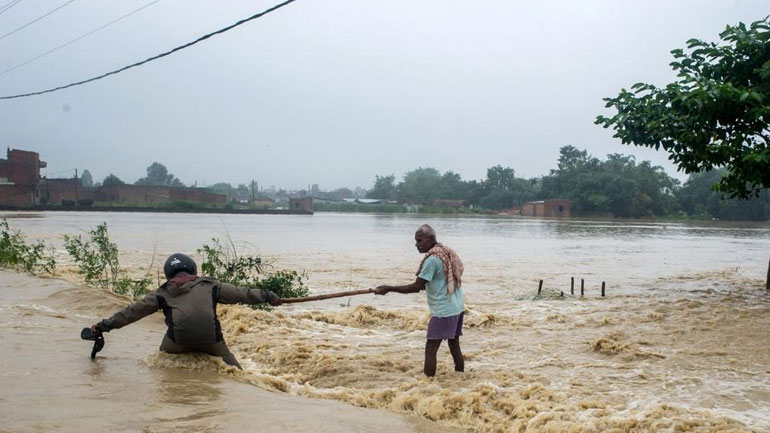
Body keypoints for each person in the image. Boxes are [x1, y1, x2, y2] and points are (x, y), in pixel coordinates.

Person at [88, 253, 282, 369]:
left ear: (168, 274)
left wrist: (103, 326)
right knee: (236, 372)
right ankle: (238, 373)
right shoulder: (211, 286)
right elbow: (242, 294)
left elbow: (131, 313)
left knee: (160, 361)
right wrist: (267, 296)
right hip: (212, 342)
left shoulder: (161, 293)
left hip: (177, 343)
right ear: (193, 270)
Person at [375, 224, 465, 377]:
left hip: (443, 311)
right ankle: (460, 377)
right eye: (416, 241)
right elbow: (439, 279)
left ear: (431, 240)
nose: (416, 245)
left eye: (419, 241)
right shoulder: (446, 251)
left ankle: (427, 384)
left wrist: (388, 288)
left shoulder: (432, 260)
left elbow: (416, 287)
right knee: (454, 346)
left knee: (430, 349)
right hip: (457, 307)